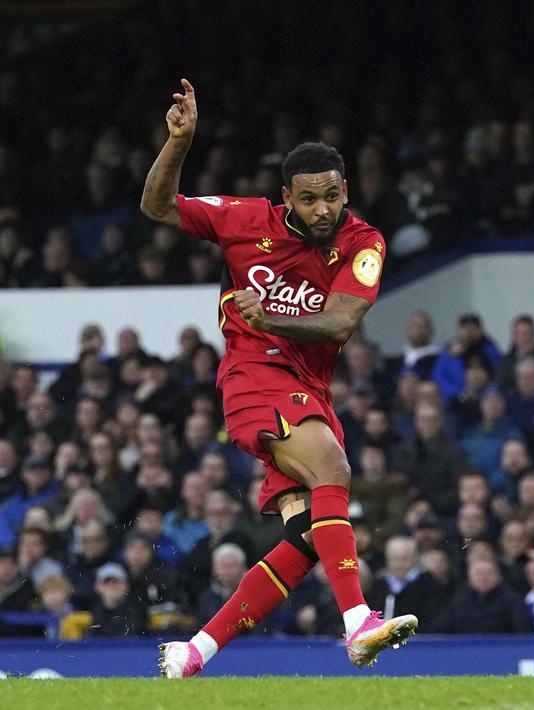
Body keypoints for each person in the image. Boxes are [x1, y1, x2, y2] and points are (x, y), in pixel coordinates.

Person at [139, 80, 416, 677]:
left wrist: (278, 312)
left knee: (312, 538)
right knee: (335, 471)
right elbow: (158, 207)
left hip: (308, 388)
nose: (324, 211)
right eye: (311, 199)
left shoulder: (363, 241)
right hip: (253, 376)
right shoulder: (243, 220)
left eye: (333, 197)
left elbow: (342, 323)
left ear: (346, 191)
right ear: (286, 196)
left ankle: (194, 653)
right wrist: (179, 143)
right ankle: (359, 623)